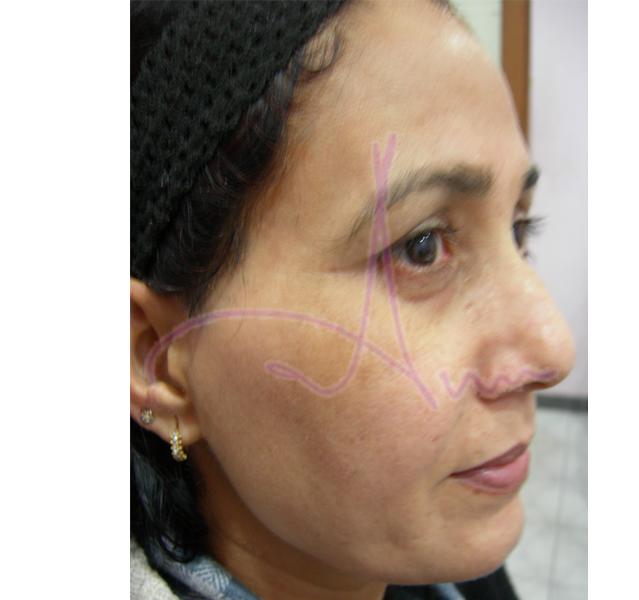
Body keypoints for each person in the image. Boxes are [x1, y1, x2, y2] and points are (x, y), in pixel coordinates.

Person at [130, 1, 576, 599]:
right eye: (421, 248)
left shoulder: (450, 569)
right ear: (157, 359)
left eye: (519, 230)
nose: (554, 349)